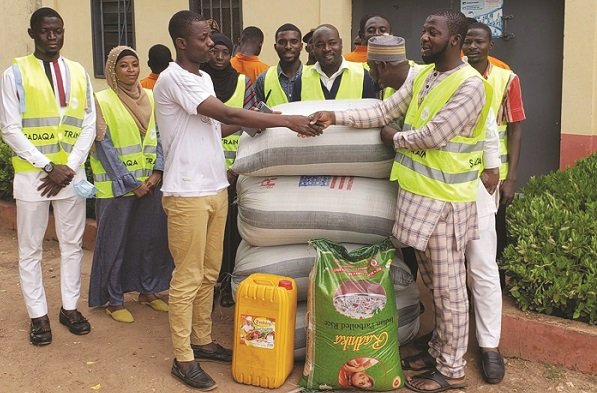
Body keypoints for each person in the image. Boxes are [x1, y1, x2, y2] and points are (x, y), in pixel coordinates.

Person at [310, 9, 494, 392]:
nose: (423, 37)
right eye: (424, 30)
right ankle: (436, 350)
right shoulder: (426, 75)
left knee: (449, 289)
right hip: (419, 197)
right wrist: (336, 115)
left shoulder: (471, 84)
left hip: (445, 202)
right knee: (432, 283)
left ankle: (451, 369)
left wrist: (392, 138)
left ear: (454, 40)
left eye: (433, 32)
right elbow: (383, 110)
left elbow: (433, 135)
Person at [154, 10, 321, 390]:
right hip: (186, 193)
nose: (210, 43)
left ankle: (201, 339)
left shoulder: (200, 78)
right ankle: (183, 357)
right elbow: (226, 111)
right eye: (201, 38)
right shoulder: (174, 78)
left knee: (210, 273)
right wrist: (286, 122)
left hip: (214, 187)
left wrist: (260, 117)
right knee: (187, 277)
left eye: (210, 37)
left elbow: (220, 124)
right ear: (182, 42)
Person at [0, 7, 94, 345]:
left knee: (72, 246)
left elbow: (88, 122)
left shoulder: (79, 71)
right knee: (30, 250)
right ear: (32, 33)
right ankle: (38, 316)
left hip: (71, 176)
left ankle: (69, 308)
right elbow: (9, 128)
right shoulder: (14, 74)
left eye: (57, 30)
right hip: (34, 179)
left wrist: (69, 165)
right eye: (45, 31)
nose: (52, 37)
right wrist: (48, 166)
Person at [87, 46, 173, 323]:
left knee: (150, 239)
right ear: (113, 70)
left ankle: (148, 291)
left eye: (134, 64)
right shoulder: (102, 100)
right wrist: (129, 182)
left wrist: (157, 172)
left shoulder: (150, 96)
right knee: (115, 243)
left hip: (151, 183)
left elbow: (161, 136)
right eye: (123, 65)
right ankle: (114, 299)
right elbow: (104, 146)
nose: (131, 70)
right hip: (117, 187)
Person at [462, 21, 525, 384]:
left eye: (479, 41)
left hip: (488, 181)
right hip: (445, 185)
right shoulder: (441, 75)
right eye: (468, 40)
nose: (472, 46)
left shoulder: (504, 77)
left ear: (489, 43)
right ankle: (448, 339)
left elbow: (513, 127)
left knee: (484, 265)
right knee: (450, 270)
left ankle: (489, 346)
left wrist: (507, 176)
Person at [201, 32, 257, 308]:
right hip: (206, 171)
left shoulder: (244, 82)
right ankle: (207, 285)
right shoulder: (198, 81)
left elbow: (251, 123)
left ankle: (228, 283)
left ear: (232, 52)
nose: (220, 57)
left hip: (239, 169)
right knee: (210, 233)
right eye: (215, 52)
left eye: (225, 52)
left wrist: (237, 168)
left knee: (236, 231)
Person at [292, 24, 377, 101]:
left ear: (341, 43)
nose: (327, 49)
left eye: (332, 43)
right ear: (313, 48)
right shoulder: (301, 80)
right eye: (320, 45)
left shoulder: (363, 75)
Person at [255, 23, 303, 106]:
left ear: (301, 46)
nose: (288, 46)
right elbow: (257, 113)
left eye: (294, 42)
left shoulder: (315, 76)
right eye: (282, 42)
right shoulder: (263, 79)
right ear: (275, 47)